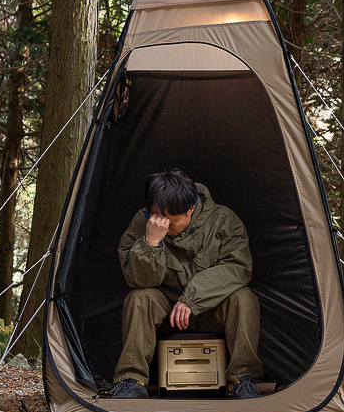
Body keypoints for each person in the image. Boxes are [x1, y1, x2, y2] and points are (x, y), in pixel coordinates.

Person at [111, 169, 263, 399]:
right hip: (166, 311)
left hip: (211, 308)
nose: (164, 226)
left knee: (243, 298)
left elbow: (238, 267)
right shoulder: (142, 223)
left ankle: (243, 379)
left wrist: (192, 298)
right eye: (157, 218)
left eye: (171, 221)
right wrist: (151, 243)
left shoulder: (223, 220)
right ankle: (132, 380)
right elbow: (140, 281)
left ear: (191, 208)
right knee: (139, 298)